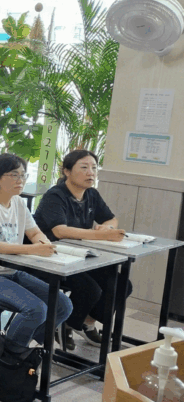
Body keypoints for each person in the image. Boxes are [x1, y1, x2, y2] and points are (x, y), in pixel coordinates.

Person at [0, 154, 72, 346]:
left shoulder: (19, 203)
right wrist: (32, 250)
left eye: (23, 175)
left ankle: (29, 348)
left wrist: (43, 243)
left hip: (10, 271)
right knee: (35, 309)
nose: (20, 180)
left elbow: (35, 232)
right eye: (14, 175)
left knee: (63, 305)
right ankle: (7, 357)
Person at [33, 149, 132, 349]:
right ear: (67, 171)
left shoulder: (92, 194)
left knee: (122, 284)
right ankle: (64, 325)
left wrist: (108, 227)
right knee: (89, 289)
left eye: (94, 168)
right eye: (84, 168)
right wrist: (101, 235)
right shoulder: (55, 195)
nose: (91, 173)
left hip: (80, 256)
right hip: (51, 258)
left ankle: (85, 322)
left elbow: (110, 218)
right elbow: (60, 231)